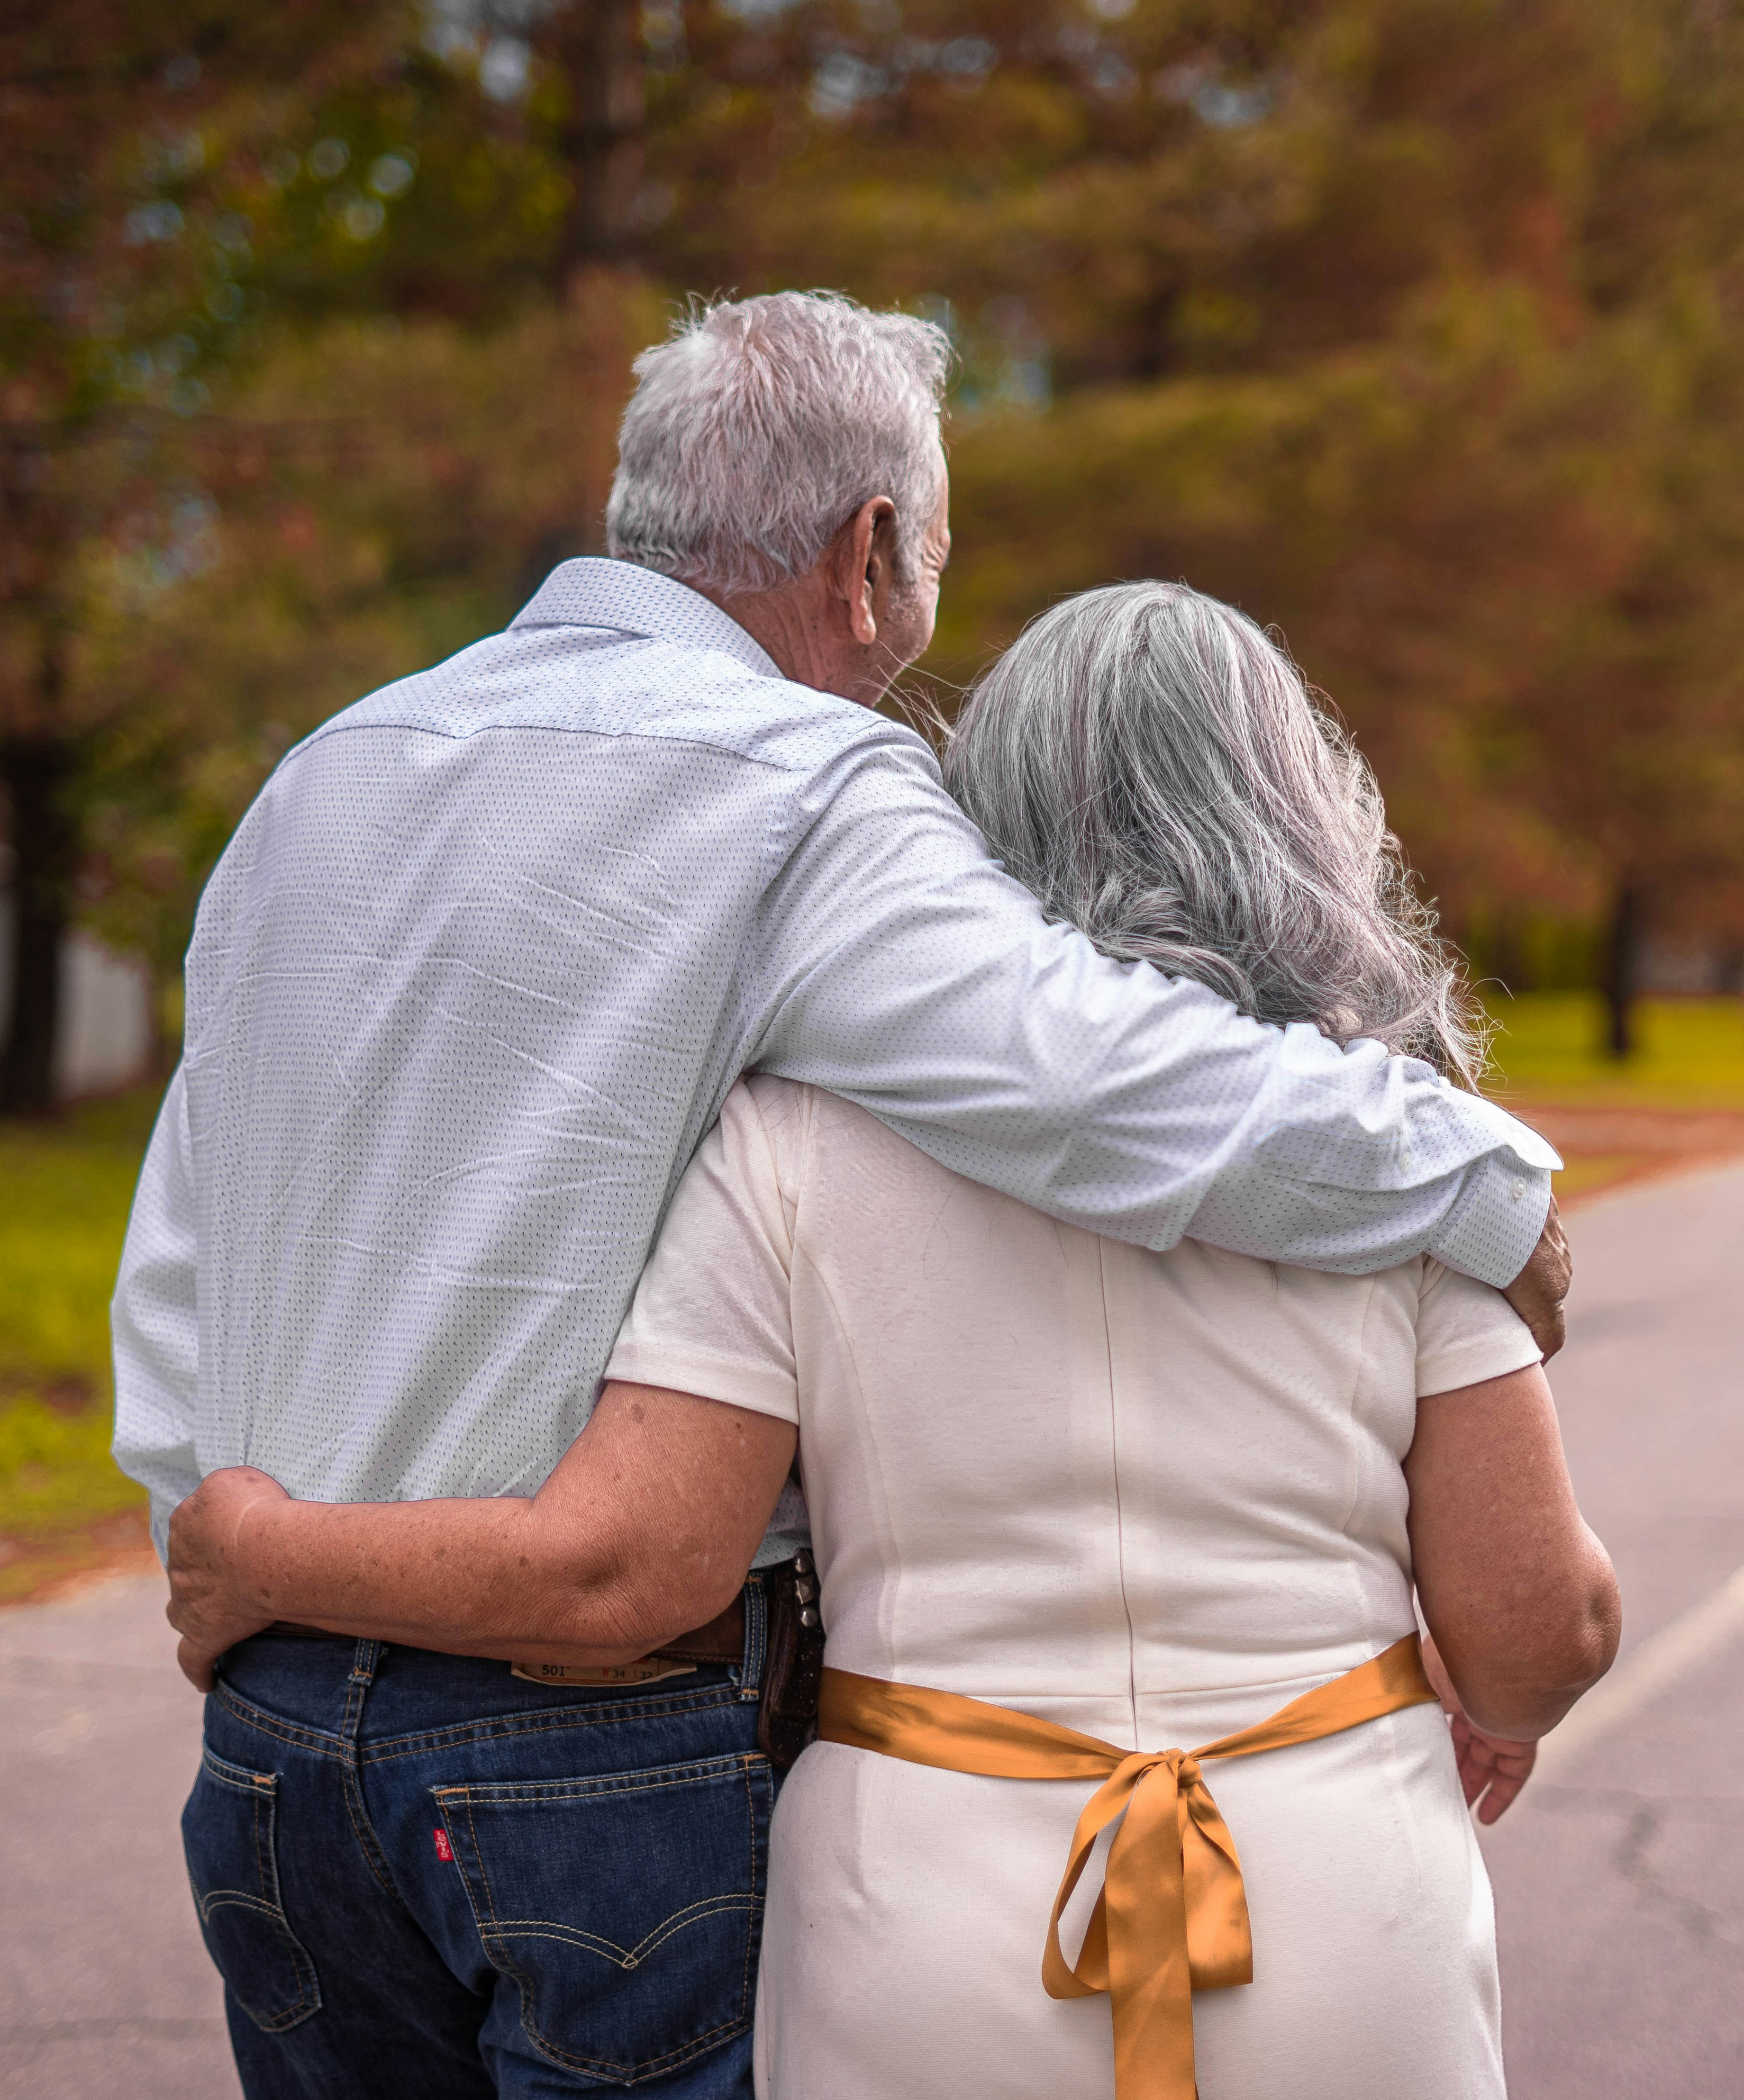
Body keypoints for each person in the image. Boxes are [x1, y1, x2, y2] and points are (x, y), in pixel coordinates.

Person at [116, 292, 1569, 2099]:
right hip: (588, 1760)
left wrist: (232, 1543)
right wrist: (1476, 1169)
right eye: (935, 572)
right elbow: (1095, 1077)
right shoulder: (809, 787)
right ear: (869, 554)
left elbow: (182, 1254)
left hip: (267, 1746)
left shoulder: (320, 776)